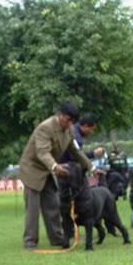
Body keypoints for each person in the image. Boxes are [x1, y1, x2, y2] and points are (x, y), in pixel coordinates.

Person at [18, 102, 95, 250]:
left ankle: (57, 238)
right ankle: (30, 241)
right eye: (68, 120)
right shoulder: (45, 128)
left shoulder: (69, 129)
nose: (70, 124)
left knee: (53, 204)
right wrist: (55, 166)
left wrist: (91, 167)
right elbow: (42, 152)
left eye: (73, 121)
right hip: (33, 169)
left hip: (47, 170)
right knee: (33, 208)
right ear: (60, 115)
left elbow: (75, 151)